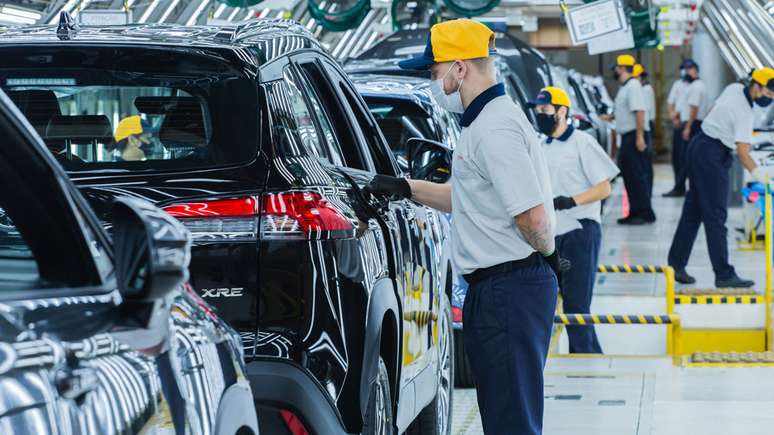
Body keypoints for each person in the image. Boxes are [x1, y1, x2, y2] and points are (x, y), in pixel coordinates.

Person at [363, 19, 562, 434]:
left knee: (512, 420)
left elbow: (534, 218)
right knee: (506, 410)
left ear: (459, 68)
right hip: (503, 287)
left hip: (510, 287)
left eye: (434, 72)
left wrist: (549, 257)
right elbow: (464, 197)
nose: (433, 82)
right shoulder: (483, 122)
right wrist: (404, 186)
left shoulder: (495, 128)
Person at [531, 86, 620, 354]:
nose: (540, 114)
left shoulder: (582, 142)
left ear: (562, 111)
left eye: (545, 110)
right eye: (537, 110)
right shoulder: (540, 145)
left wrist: (570, 201)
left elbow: (604, 188)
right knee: (553, 301)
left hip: (580, 231)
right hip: (551, 233)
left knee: (576, 304)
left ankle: (584, 360)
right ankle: (589, 355)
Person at [668, 67, 774, 287]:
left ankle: (675, 264)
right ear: (756, 85)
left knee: (694, 209)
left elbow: (714, 109)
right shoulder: (745, 112)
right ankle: (724, 274)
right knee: (716, 215)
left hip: (699, 145)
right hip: (711, 156)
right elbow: (743, 153)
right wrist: (761, 175)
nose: (769, 98)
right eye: (768, 93)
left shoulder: (734, 88)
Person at [608, 54, 655, 225]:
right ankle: (636, 211)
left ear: (621, 68)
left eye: (615, 68)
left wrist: (640, 137)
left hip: (634, 136)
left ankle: (644, 213)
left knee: (636, 175)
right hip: (629, 136)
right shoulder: (626, 86)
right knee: (630, 175)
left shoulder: (633, 86)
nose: (614, 71)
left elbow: (640, 112)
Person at [663, 65, 691, 197]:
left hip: (690, 124)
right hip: (679, 124)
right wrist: (673, 116)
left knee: (688, 158)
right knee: (677, 157)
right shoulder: (678, 84)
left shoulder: (696, 86)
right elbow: (670, 102)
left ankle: (689, 187)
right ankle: (679, 186)